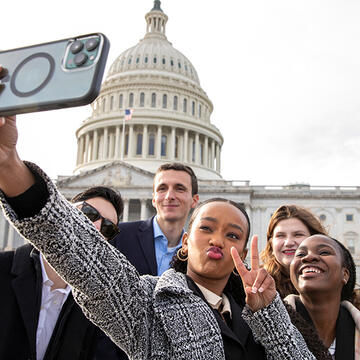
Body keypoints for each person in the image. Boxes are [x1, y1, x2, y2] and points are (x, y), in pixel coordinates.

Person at [0, 111, 318, 358]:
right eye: (206, 228)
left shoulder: (258, 314)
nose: (218, 239)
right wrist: (10, 168)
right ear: (185, 239)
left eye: (233, 235)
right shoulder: (149, 305)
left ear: (245, 247)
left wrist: (270, 317)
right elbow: (86, 257)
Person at [0, 185, 123, 360]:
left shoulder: (94, 310)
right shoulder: (4, 268)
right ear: (65, 210)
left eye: (108, 228)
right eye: (89, 213)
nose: (95, 227)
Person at [111, 162, 199, 277]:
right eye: (162, 189)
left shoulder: (197, 252)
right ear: (153, 199)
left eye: (179, 189)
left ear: (194, 200)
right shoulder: (118, 236)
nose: (169, 196)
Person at [285, 234, 359, 359]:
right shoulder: (266, 327)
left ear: (345, 274)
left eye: (324, 252)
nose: (308, 257)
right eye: (300, 254)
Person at [260, 204, 327, 298]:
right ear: (271, 244)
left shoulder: (331, 281)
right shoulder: (260, 283)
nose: (288, 243)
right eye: (280, 235)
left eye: (298, 234)